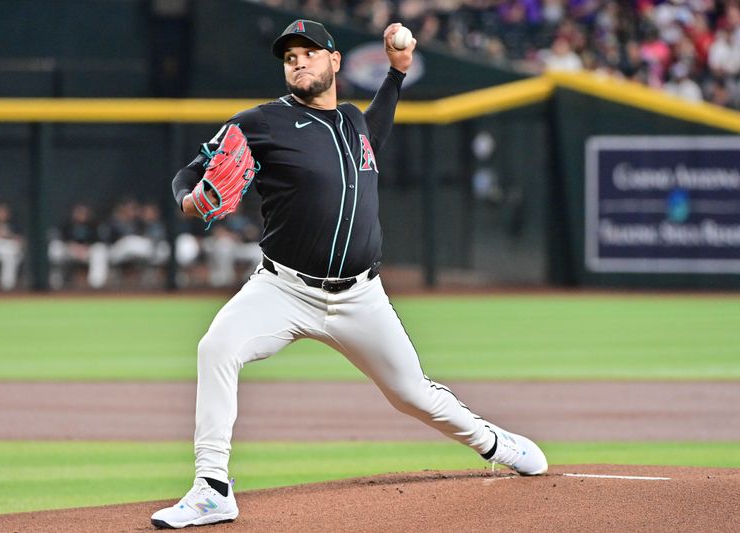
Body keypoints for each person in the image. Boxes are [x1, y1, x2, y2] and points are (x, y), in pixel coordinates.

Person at [151, 19, 547, 530]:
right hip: (283, 288)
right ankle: (212, 488)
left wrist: (397, 73)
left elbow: (376, 129)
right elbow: (192, 170)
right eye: (289, 56)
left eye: (309, 53)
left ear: (335, 62)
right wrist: (188, 198)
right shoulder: (260, 122)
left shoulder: (354, 122)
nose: (298, 61)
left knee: (414, 395)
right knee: (216, 348)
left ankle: (496, 444)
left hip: (362, 298)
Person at [47, 203, 109, 289]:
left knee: (100, 249)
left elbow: (98, 240)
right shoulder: (67, 224)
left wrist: (86, 247)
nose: (80, 215)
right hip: (71, 251)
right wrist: (71, 245)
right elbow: (59, 238)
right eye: (78, 212)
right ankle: (56, 280)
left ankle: (96, 284)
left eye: (82, 213)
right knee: (55, 247)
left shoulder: (93, 225)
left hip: (87, 252)